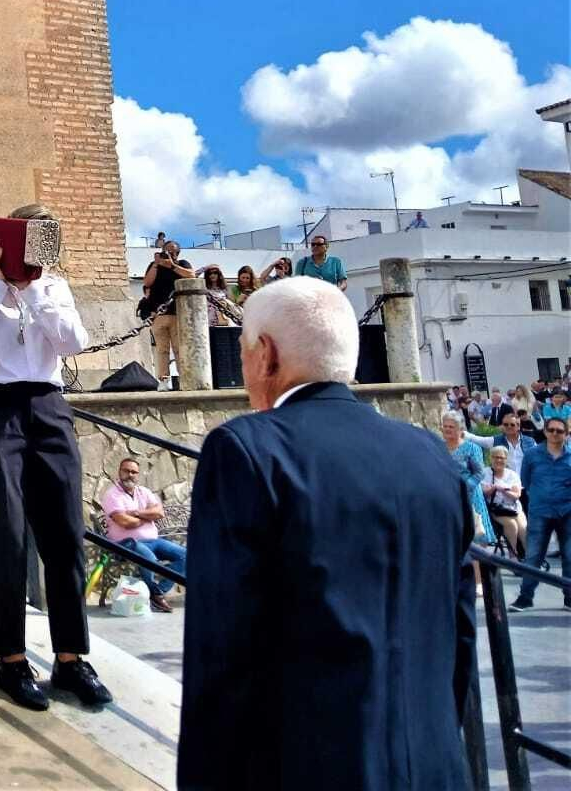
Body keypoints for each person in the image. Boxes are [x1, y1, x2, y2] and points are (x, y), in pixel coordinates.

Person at [179, 277, 474, 791]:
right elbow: (460, 627)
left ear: (266, 354)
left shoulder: (246, 451)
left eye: (243, 351)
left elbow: (221, 652)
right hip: (434, 765)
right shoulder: (429, 453)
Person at [0, 212, 111, 713]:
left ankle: (70, 658)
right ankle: (12, 659)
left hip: (47, 404)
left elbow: (73, 342)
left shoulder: (52, 286)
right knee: (6, 534)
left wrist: (34, 288)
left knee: (64, 533)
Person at [101, 458, 185, 613]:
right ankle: (157, 597)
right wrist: (147, 517)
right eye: (126, 471)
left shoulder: (144, 492)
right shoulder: (112, 495)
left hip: (154, 540)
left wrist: (136, 513)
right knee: (148, 558)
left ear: (138, 475)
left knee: (186, 556)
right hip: (126, 543)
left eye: (134, 472)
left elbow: (159, 513)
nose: (130, 475)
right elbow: (125, 522)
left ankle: (157, 592)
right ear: (119, 472)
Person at [512, 414, 571, 611]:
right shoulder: (532, 455)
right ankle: (525, 598)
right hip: (540, 512)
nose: (555, 433)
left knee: (570, 557)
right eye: (551, 430)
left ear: (566, 434)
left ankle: (569, 598)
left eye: (559, 431)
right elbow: (526, 481)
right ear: (545, 431)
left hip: (567, 513)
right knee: (533, 557)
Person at [441, 409, 495, 594]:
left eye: (451, 427)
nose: (447, 430)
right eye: (445, 426)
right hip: (448, 498)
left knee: (476, 540)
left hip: (471, 497)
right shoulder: (439, 447)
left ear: (460, 429)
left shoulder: (472, 448)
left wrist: (463, 489)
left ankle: (479, 581)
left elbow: (479, 473)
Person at [141, 241, 193, 390]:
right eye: (168, 251)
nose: (171, 254)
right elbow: (147, 282)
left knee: (180, 348)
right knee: (161, 349)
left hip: (178, 314)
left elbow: (191, 275)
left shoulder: (182, 264)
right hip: (159, 314)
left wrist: (172, 266)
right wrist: (157, 264)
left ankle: (184, 379)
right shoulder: (154, 266)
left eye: (174, 252)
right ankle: (164, 380)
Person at [482, 447, 527, 558]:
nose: (499, 460)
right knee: (512, 525)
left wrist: (502, 489)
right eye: (495, 457)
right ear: (491, 458)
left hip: (514, 508)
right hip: (497, 509)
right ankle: (513, 555)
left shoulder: (512, 474)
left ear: (506, 459)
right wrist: (493, 489)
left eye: (502, 458)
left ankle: (532, 558)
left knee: (523, 528)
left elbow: (517, 495)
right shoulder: (485, 473)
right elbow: (483, 494)